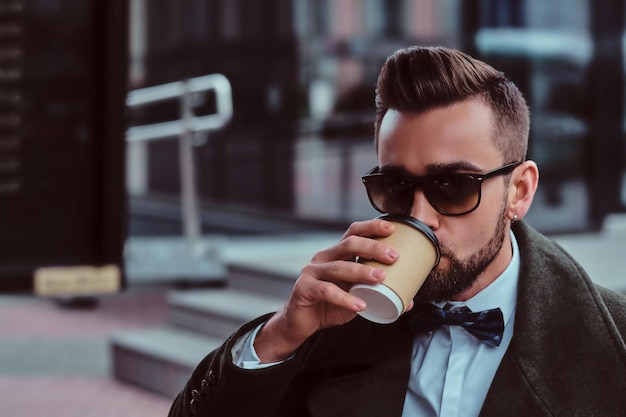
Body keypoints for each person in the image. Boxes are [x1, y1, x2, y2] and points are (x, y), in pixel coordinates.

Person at [168, 46, 626, 417]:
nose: (419, 215)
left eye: (453, 185)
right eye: (396, 186)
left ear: (519, 192)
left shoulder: (611, 344)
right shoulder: (331, 325)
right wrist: (281, 336)